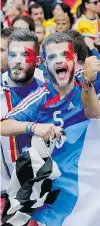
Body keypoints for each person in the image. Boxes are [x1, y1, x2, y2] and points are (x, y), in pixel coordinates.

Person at [0, 28, 43, 220]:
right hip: (5, 196)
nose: (17, 61)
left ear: (38, 60)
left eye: (25, 54)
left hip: (46, 197)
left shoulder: (52, 87)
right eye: (12, 54)